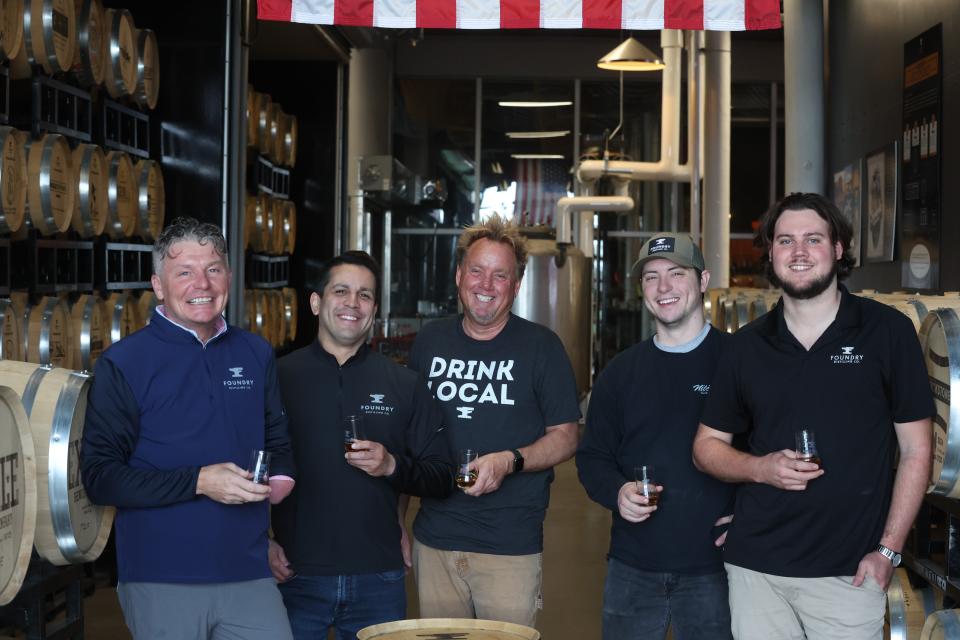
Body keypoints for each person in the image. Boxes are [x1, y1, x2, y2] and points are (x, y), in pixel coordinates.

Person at [692, 192, 933, 639]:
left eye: (813, 239)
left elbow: (917, 449)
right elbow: (706, 448)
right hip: (756, 572)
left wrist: (889, 551)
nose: (798, 252)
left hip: (849, 575)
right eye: (785, 240)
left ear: (839, 249)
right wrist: (761, 468)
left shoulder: (887, 332)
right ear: (771, 253)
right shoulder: (746, 346)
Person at [81, 217, 296, 640]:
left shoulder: (255, 352)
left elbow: (277, 439)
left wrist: (277, 483)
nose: (203, 283)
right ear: (158, 285)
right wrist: (199, 481)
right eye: (185, 272)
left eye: (213, 269)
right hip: (161, 577)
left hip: (248, 571)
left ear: (229, 277)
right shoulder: (123, 363)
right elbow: (101, 478)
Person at [406, 214, 581, 627]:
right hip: (435, 540)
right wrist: (399, 522)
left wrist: (510, 460)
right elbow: (409, 439)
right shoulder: (430, 342)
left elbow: (567, 436)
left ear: (516, 286)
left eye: (500, 276)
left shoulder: (542, 347)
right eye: (477, 271)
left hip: (509, 546)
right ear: (458, 275)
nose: (486, 286)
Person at [269, 251, 454, 640]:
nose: (353, 303)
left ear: (374, 310)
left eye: (365, 295)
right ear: (317, 303)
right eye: (341, 291)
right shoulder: (277, 378)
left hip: (378, 580)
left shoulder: (404, 384)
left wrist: (392, 466)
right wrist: (259, 543)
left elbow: (442, 475)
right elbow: (245, 467)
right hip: (294, 575)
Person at [576, 233, 735, 640]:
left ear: (702, 281)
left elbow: (770, 451)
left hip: (716, 569)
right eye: (650, 277)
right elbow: (592, 456)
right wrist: (617, 492)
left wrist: (753, 518)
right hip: (633, 568)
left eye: (676, 274)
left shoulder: (738, 362)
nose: (663, 288)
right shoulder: (621, 373)